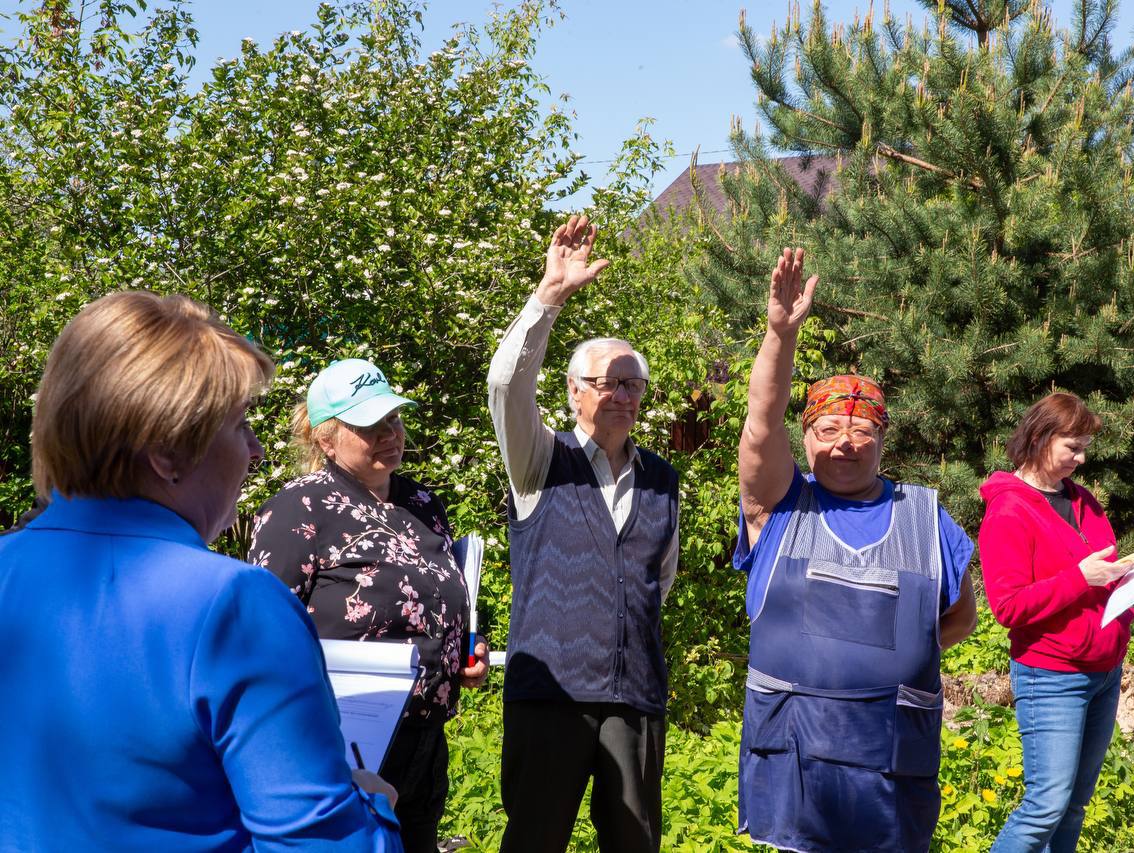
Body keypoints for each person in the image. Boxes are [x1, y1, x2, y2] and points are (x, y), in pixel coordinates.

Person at [0, 291, 402, 851]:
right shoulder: (235, 606)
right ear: (168, 453)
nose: (257, 450)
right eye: (240, 425)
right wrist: (371, 805)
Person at [734, 248, 978, 852]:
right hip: (793, 760)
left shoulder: (925, 517)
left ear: (882, 437)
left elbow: (961, 616)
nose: (845, 443)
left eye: (861, 430)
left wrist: (891, 668)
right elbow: (760, 424)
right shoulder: (779, 505)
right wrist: (779, 335)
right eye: (828, 430)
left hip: (891, 766)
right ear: (806, 438)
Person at [487, 215, 679, 853]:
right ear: (573, 392)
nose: (621, 395)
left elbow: (657, 581)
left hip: (635, 699)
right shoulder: (540, 460)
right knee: (534, 842)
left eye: (632, 384)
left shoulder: (661, 480)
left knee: (634, 844)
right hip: (551, 696)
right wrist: (549, 298)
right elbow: (506, 384)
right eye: (605, 382)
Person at [248, 357, 489, 853]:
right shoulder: (299, 507)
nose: (389, 433)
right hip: (346, 743)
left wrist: (466, 650)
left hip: (425, 739)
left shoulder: (420, 502)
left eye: (394, 419)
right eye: (369, 425)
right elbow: (263, 633)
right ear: (324, 438)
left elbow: (443, 598)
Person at [979, 392, 1134, 852]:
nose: (1080, 458)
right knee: (1045, 808)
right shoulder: (1009, 511)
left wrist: (1132, 576)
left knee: (1075, 805)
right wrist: (1081, 578)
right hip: (1052, 674)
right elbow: (1008, 608)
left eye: (1084, 449)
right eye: (1071, 448)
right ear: (1039, 438)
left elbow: (1104, 571)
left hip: (1104, 670)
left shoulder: (1083, 501)